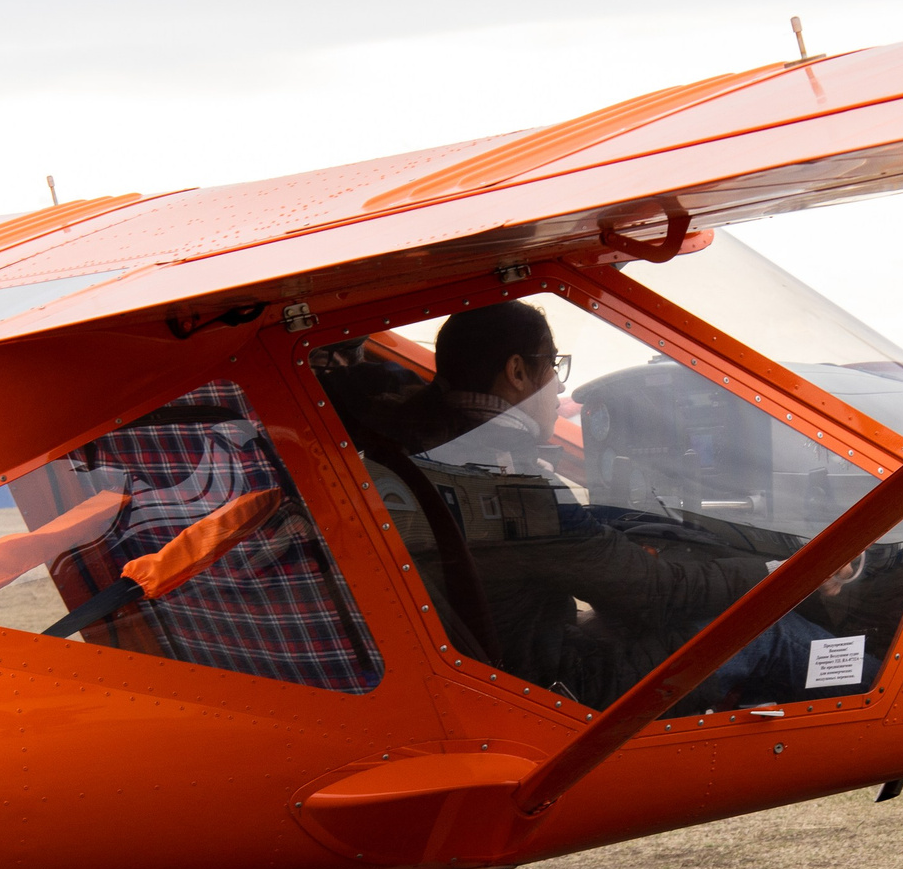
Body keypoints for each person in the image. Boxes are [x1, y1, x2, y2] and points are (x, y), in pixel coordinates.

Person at [319, 301, 870, 711]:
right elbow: (653, 592)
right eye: (551, 367)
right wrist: (788, 573)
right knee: (763, 632)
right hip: (547, 690)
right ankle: (879, 692)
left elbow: (582, 550)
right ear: (517, 372)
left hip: (478, 665)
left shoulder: (404, 449)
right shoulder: (510, 484)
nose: (559, 391)